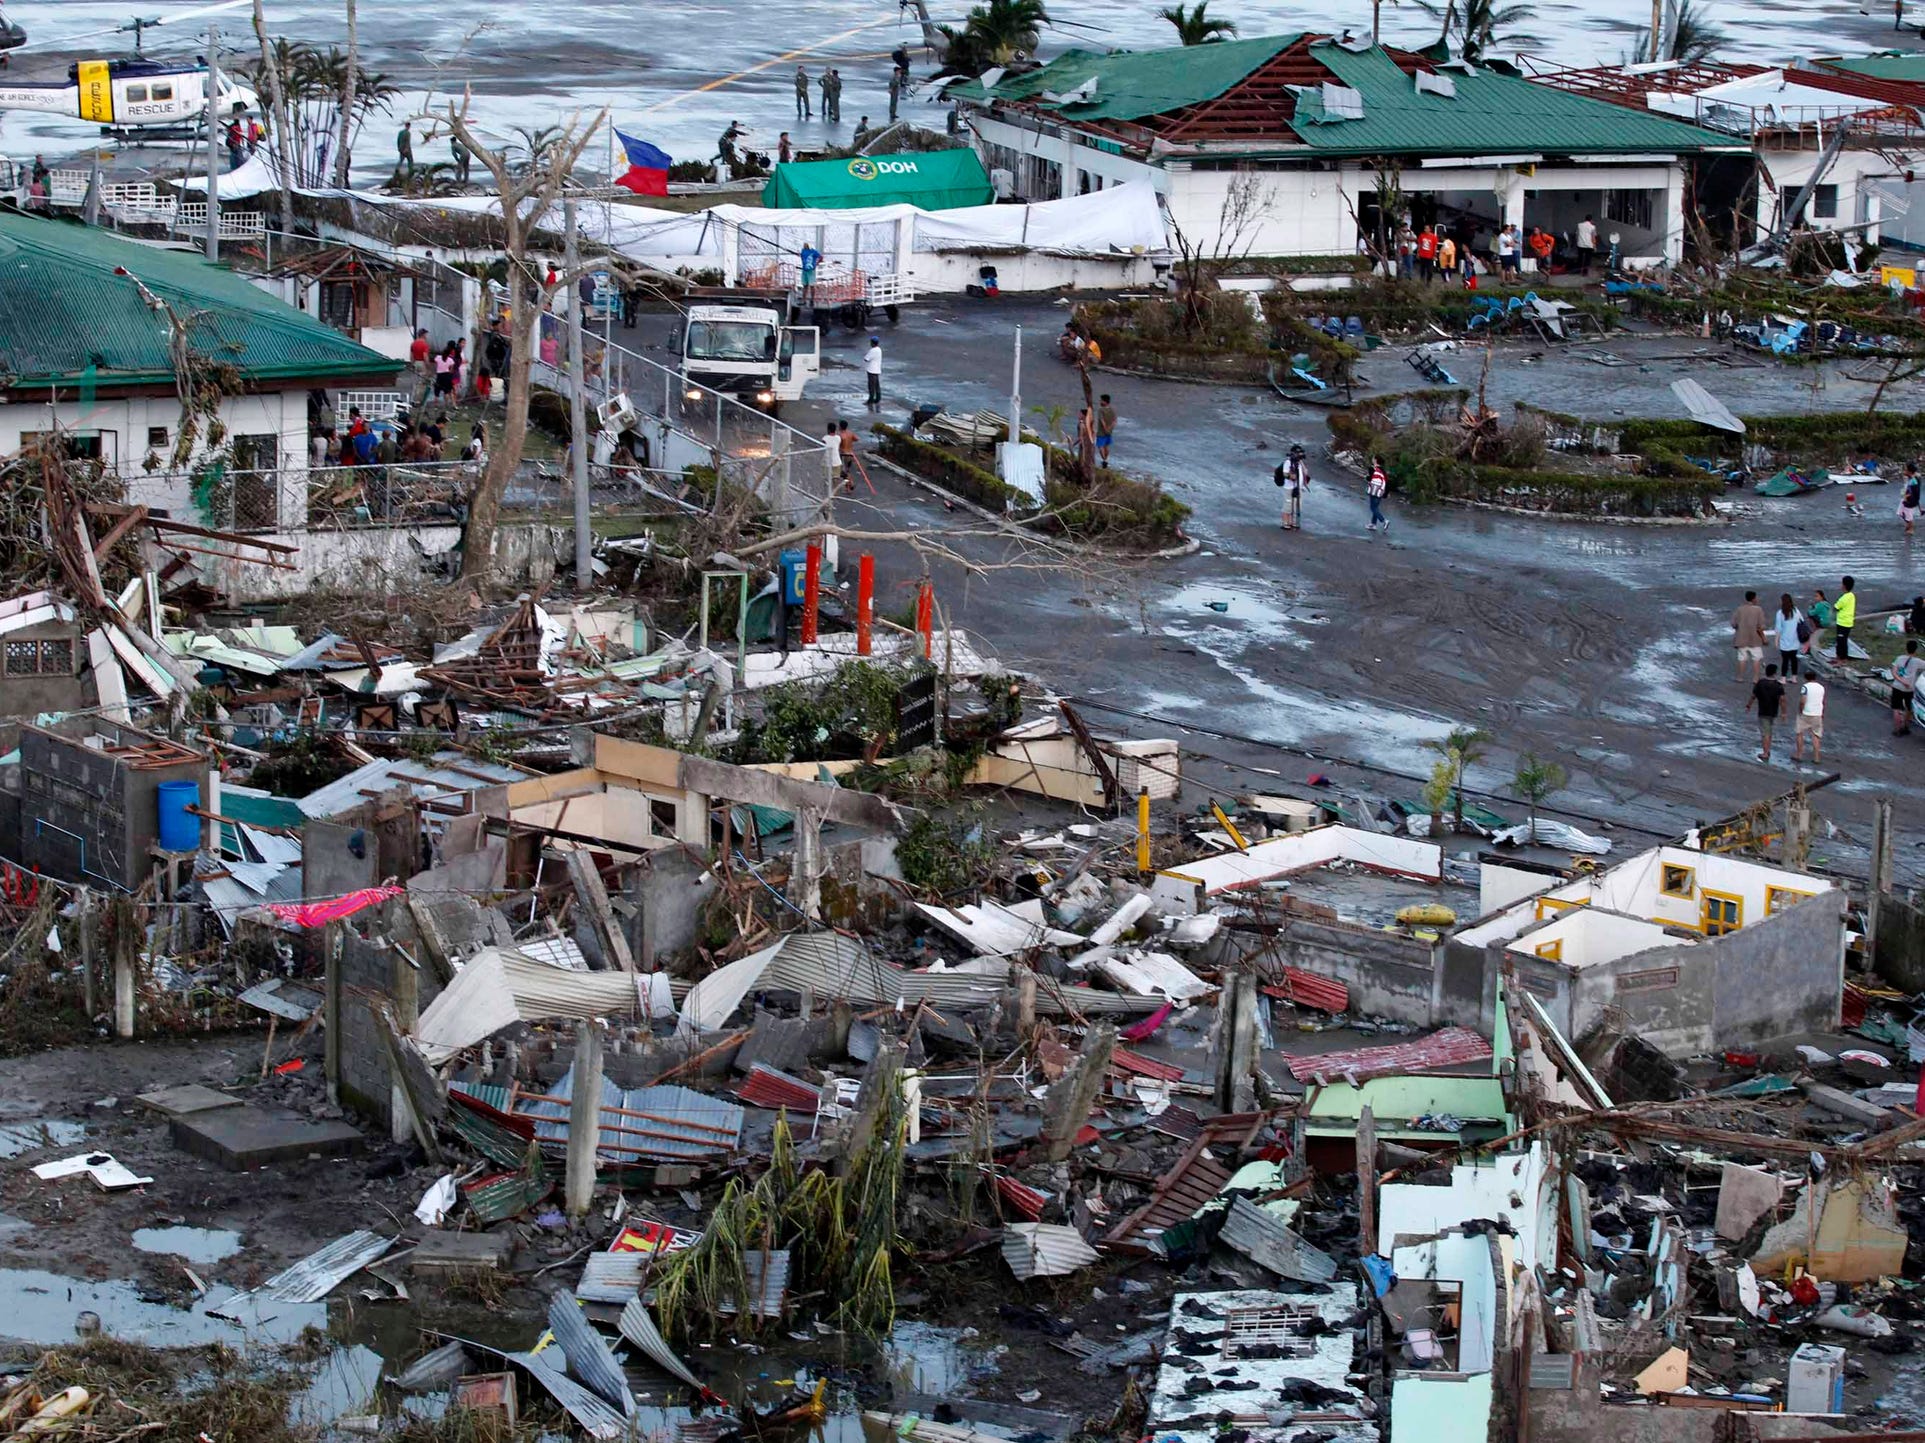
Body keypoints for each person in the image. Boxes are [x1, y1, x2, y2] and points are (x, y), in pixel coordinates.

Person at [1748, 663, 1784, 763]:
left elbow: (1753, 696)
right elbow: (1782, 700)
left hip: (1763, 711)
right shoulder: (1778, 685)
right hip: (1773, 711)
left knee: (1765, 733)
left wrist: (1749, 705)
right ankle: (1767, 750)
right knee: (1769, 731)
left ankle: (1765, 752)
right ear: (1775, 673)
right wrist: (1784, 712)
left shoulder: (1761, 683)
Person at [1731, 589, 1768, 682]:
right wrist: (1763, 638)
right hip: (1755, 639)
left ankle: (1740, 677)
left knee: (1742, 658)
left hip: (1741, 638)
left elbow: (1734, 624)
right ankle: (1755, 678)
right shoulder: (1758, 610)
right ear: (1754, 598)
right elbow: (1761, 626)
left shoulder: (1740, 609)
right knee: (1756, 658)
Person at [1792, 673, 1826, 765]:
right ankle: (1816, 757)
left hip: (1806, 712)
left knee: (1799, 733)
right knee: (1816, 736)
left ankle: (1799, 755)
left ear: (1806, 678)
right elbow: (1823, 701)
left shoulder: (1805, 687)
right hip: (1817, 713)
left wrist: (1800, 710)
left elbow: (1803, 700)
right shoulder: (1821, 687)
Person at [1276, 442, 1309, 530]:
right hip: (1289, 487)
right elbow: (1285, 474)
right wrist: (1291, 476)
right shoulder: (1288, 462)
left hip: (1298, 487)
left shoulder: (1299, 462)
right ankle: (1285, 522)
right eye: (1298, 453)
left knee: (1296, 505)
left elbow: (1304, 472)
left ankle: (1293, 522)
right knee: (1288, 505)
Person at [1894, 639, 1924, 734]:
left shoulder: (1899, 658)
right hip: (1909, 688)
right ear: (1915, 650)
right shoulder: (1917, 662)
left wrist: (1901, 680)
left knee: (1896, 708)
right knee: (1909, 708)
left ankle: (1897, 729)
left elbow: (1894, 672)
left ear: (1906, 648)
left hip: (1897, 686)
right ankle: (1906, 727)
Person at [1773, 593, 1805, 680]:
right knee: (1794, 659)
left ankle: (1783, 678)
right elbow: (1801, 621)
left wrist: (1776, 641)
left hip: (1784, 640)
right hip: (1795, 639)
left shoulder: (1780, 613)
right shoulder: (1796, 611)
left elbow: (1778, 629)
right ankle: (1794, 677)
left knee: (1785, 660)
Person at [1834, 575, 1857, 661]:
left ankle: (1842, 659)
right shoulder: (1852, 596)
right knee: (1842, 641)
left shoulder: (1843, 598)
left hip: (1842, 623)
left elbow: (1836, 607)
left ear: (1844, 586)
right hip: (1848, 622)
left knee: (1841, 642)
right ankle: (1839, 657)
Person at [1367, 455, 1389, 533]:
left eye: (1373, 458)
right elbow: (1386, 482)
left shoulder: (1373, 469)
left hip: (1374, 490)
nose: (1372, 459)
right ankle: (1373, 524)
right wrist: (1385, 493)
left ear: (1376, 460)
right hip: (1380, 492)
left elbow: (1370, 478)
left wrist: (1367, 477)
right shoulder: (1383, 471)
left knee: (1373, 507)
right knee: (1376, 507)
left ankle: (1384, 521)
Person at [1096, 394, 1116, 467]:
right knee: (1106, 446)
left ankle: (1104, 460)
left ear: (1105, 401)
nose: (1100, 401)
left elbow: (1102, 421)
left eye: (1101, 400)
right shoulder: (1112, 410)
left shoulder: (1101, 410)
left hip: (1101, 432)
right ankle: (1106, 460)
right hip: (1110, 432)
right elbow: (1114, 421)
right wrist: (1110, 429)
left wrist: (1105, 429)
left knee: (1100, 446)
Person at [863, 334, 882, 408]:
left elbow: (866, 359)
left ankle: (870, 400)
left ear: (872, 343)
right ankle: (878, 398)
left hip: (871, 370)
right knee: (877, 386)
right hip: (877, 370)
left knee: (871, 386)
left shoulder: (872, 350)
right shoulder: (879, 349)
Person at [1902, 463, 1920, 536]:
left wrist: (1907, 497)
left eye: (1906, 470)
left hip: (1910, 501)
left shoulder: (1913, 481)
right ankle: (1908, 526)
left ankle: (1911, 529)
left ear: (1909, 471)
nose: (1904, 471)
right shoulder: (1911, 479)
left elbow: (1914, 492)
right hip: (1908, 499)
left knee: (1908, 514)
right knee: (1903, 512)